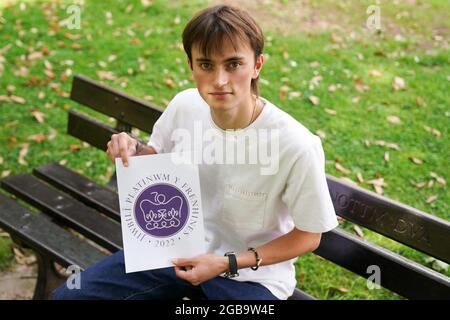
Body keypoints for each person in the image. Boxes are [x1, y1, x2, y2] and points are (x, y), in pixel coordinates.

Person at [53, 4, 338, 300]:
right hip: (170, 254)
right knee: (69, 298)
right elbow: (156, 159)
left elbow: (308, 236)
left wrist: (225, 262)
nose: (219, 80)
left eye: (233, 64)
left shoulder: (296, 145)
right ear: (191, 65)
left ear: (257, 65)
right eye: (206, 65)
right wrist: (131, 149)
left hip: (250, 281)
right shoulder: (186, 105)